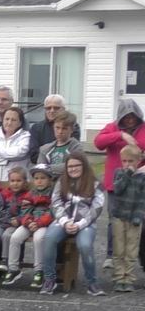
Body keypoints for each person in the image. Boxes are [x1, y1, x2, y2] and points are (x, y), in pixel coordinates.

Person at [39, 152, 106, 296]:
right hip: (63, 221)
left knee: (85, 245)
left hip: (86, 223)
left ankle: (92, 283)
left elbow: (97, 208)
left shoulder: (95, 183)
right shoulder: (61, 182)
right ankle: (49, 279)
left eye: (77, 165)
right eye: (70, 166)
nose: (73, 169)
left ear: (84, 166)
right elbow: (55, 203)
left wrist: (80, 224)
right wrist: (64, 221)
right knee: (49, 239)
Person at [94, 99, 145, 268]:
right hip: (117, 182)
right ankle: (111, 255)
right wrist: (121, 135)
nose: (130, 120)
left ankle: (135, 257)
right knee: (114, 219)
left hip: (139, 182)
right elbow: (98, 142)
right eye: (126, 116)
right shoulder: (112, 127)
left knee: (139, 220)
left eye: (133, 116)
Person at [4, 165, 55, 287]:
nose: (39, 181)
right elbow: (25, 210)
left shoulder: (52, 193)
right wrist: (28, 222)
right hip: (29, 222)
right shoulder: (31, 193)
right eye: (36, 178)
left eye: (43, 178)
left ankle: (39, 270)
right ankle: (13, 268)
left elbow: (52, 212)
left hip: (44, 224)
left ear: (49, 179)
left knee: (39, 238)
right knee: (15, 237)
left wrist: (39, 223)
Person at [110, 145, 145, 292]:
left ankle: (128, 278)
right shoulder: (119, 173)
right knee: (119, 249)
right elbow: (118, 189)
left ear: (139, 161)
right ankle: (119, 278)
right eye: (124, 161)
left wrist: (138, 216)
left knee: (131, 250)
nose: (127, 164)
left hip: (134, 219)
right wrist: (127, 174)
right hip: (119, 217)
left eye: (131, 161)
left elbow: (142, 200)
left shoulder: (142, 178)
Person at [0, 166, 29, 274]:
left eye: (18, 181)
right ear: (9, 182)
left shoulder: (26, 196)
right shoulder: (4, 193)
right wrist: (7, 219)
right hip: (2, 223)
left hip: (15, 225)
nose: (15, 183)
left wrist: (18, 220)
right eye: (12, 181)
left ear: (25, 182)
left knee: (7, 235)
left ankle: (5, 260)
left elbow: (27, 211)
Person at [28, 94, 80, 164]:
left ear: (63, 109)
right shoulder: (36, 128)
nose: (52, 111)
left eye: (56, 108)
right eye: (48, 108)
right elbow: (33, 155)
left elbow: (73, 151)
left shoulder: (73, 126)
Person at [37, 111, 83, 177]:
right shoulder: (44, 149)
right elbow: (40, 169)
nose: (60, 132)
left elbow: (72, 166)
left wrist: (48, 168)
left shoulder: (76, 147)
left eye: (64, 128)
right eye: (57, 128)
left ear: (72, 130)